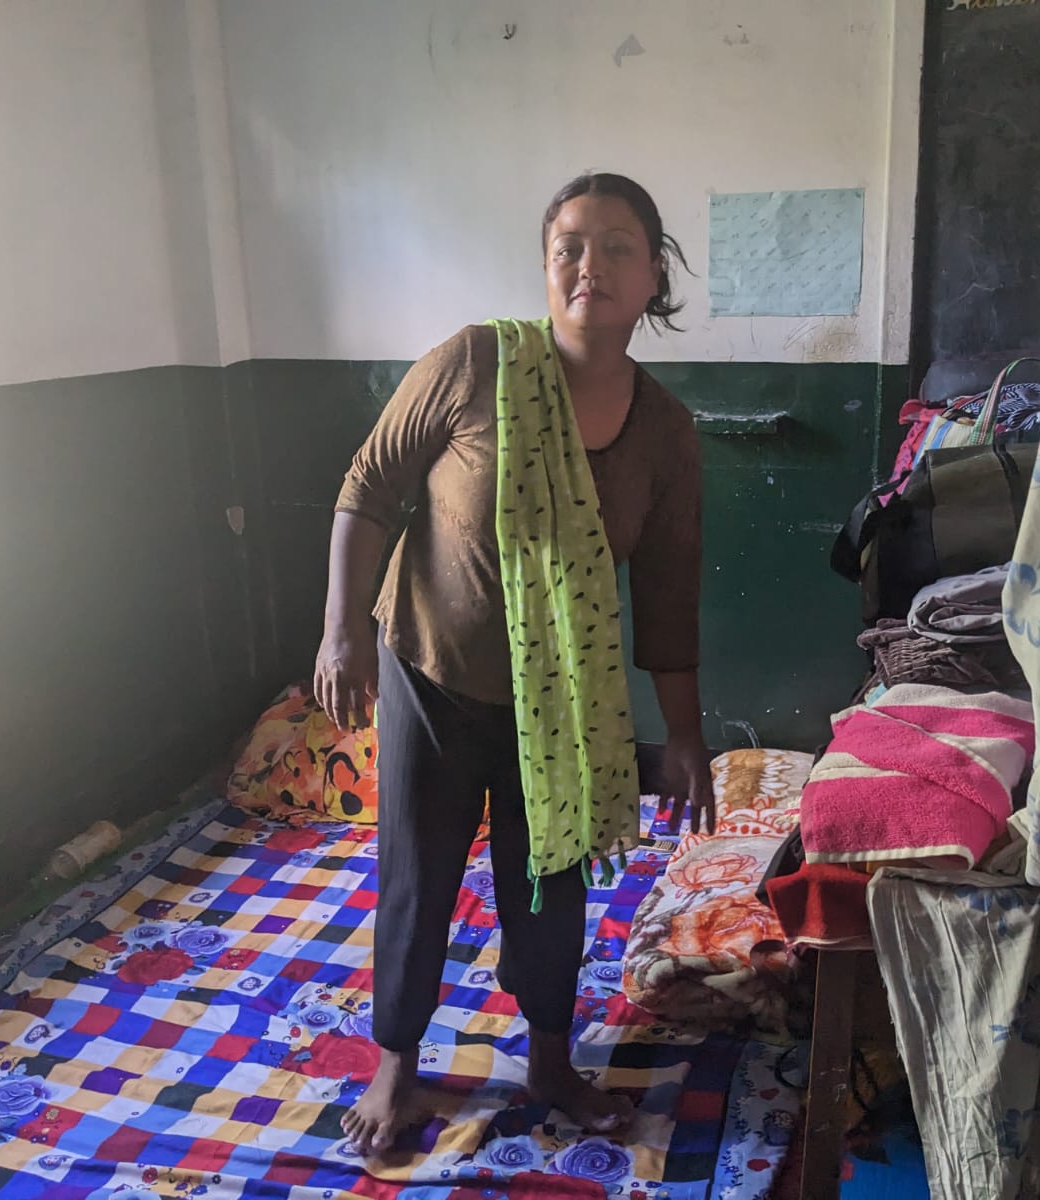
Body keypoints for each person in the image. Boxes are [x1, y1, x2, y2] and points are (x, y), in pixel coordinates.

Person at [313, 172, 712, 1155]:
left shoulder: (663, 430)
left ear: (653, 273)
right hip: (430, 672)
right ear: (546, 268)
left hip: (564, 701)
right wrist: (341, 632)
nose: (591, 265)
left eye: (618, 245)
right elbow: (368, 488)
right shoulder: (474, 362)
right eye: (569, 245)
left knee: (551, 877)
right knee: (418, 866)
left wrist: (690, 733)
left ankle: (547, 1059)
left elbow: (664, 590)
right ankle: (397, 1065)